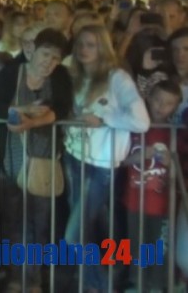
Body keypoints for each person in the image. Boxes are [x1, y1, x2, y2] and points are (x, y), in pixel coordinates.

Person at [63, 24, 149, 292]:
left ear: (103, 47)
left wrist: (104, 119)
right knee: (85, 230)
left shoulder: (117, 78)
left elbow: (141, 121)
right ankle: (92, 283)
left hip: (100, 164)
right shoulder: (75, 75)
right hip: (74, 156)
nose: (84, 50)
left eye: (91, 44)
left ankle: (100, 285)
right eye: (80, 44)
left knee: (74, 235)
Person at [0, 29, 72, 293]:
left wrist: (34, 121)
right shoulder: (12, 72)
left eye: (56, 58)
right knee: (13, 219)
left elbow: (62, 107)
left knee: (39, 220)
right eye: (46, 54)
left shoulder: (60, 77)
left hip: (44, 155)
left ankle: (33, 279)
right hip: (9, 156)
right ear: (32, 50)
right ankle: (16, 276)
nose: (50, 62)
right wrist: (21, 112)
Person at [121, 79, 181, 292]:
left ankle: (156, 286)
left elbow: (180, 169)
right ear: (148, 98)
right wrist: (140, 156)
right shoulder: (135, 128)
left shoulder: (175, 132)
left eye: (168, 103)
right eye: (157, 100)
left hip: (162, 205)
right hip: (134, 201)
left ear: (175, 107)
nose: (160, 106)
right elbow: (120, 160)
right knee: (136, 245)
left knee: (159, 247)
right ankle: (138, 283)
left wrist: (170, 162)